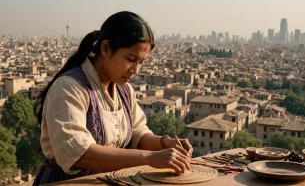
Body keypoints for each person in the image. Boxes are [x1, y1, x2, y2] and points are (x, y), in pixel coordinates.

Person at [32, 11, 193, 185]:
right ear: (106, 48)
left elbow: (138, 134)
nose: (136, 70)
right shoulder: (70, 87)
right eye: (131, 59)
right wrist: (150, 157)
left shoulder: (124, 91)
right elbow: (79, 154)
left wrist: (166, 143)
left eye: (141, 62)